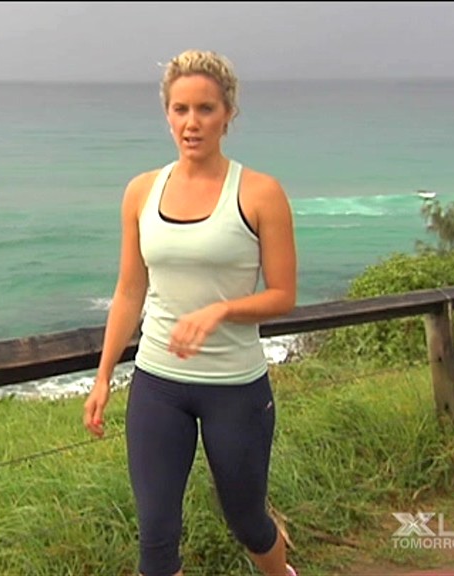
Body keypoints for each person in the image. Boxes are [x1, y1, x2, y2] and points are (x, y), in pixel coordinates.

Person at [83, 49, 299, 576]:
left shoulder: (260, 193)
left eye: (205, 109)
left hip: (235, 387)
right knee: (156, 542)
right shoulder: (141, 192)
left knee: (247, 521)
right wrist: (103, 376)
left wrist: (220, 310)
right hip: (157, 384)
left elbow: (283, 295)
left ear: (228, 115)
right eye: (180, 109)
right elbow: (130, 290)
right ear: (167, 115)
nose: (192, 122)